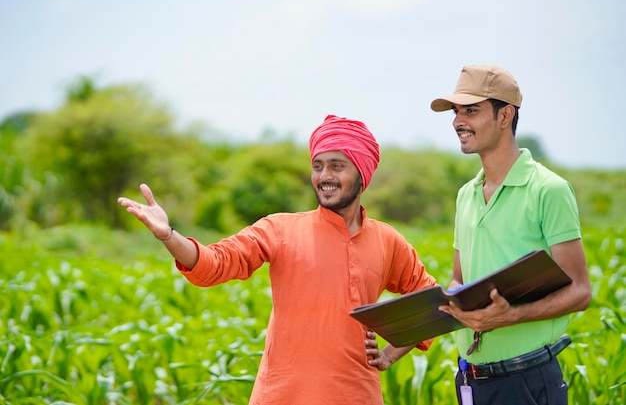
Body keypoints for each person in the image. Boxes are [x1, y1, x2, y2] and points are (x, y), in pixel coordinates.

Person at [118, 115, 437, 405]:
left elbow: (432, 302)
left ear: (362, 173)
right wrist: (168, 235)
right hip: (281, 395)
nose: (324, 175)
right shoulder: (280, 228)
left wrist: (390, 353)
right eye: (318, 166)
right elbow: (216, 263)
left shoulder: (387, 240)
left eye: (337, 166)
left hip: (357, 394)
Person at [430, 65, 592, 404]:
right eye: (456, 111)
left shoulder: (549, 190)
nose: (458, 121)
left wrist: (511, 316)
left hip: (527, 381)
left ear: (505, 115)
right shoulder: (466, 194)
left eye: (471, 110)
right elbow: (459, 279)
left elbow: (580, 292)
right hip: (471, 380)